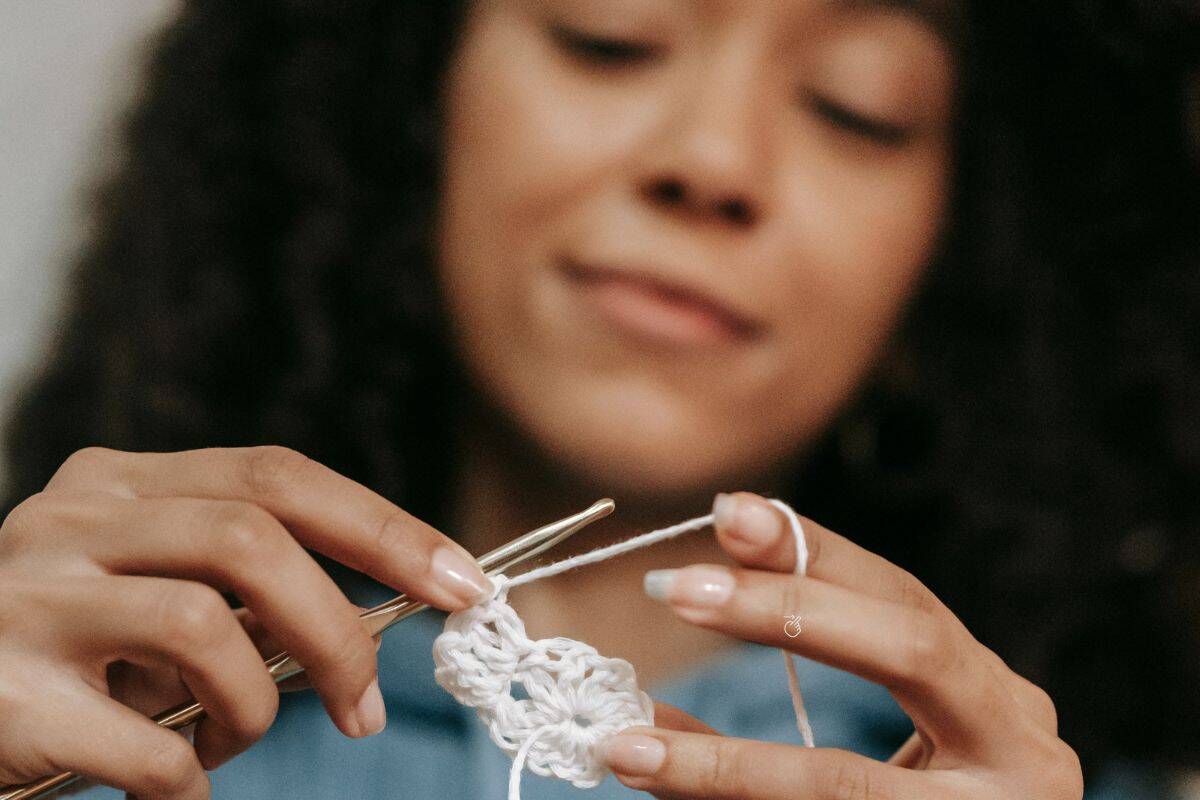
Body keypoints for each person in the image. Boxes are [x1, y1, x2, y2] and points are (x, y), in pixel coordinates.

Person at [0, 0, 1196, 797]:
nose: (713, 160)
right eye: (610, 35)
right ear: (402, 110)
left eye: (856, 105)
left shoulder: (1041, 776)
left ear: (966, 257)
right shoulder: (82, 687)